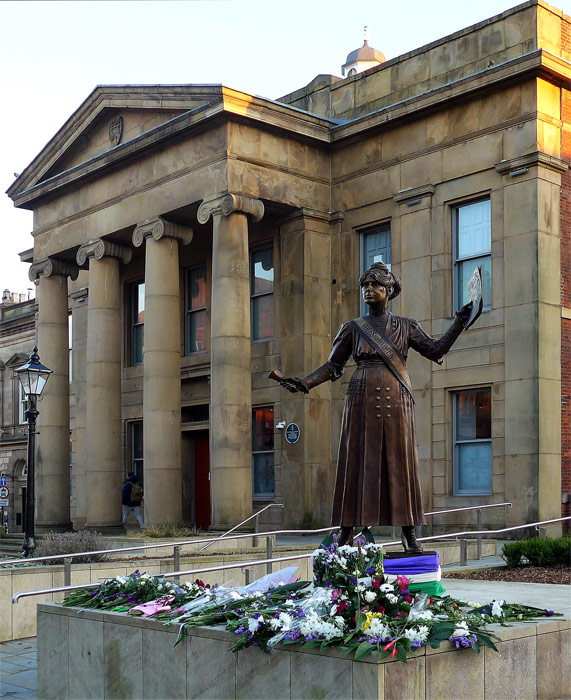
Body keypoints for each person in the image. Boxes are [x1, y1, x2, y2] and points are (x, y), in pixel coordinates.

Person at [277, 262, 477, 552]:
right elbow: (333, 366)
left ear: (390, 290)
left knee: (401, 462)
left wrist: (458, 322)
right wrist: (306, 383)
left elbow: (435, 350)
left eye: (376, 285)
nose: (369, 290)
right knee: (356, 462)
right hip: (361, 397)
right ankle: (345, 532)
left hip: (397, 397)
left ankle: (408, 533)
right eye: (365, 286)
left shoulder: (407, 326)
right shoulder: (352, 328)